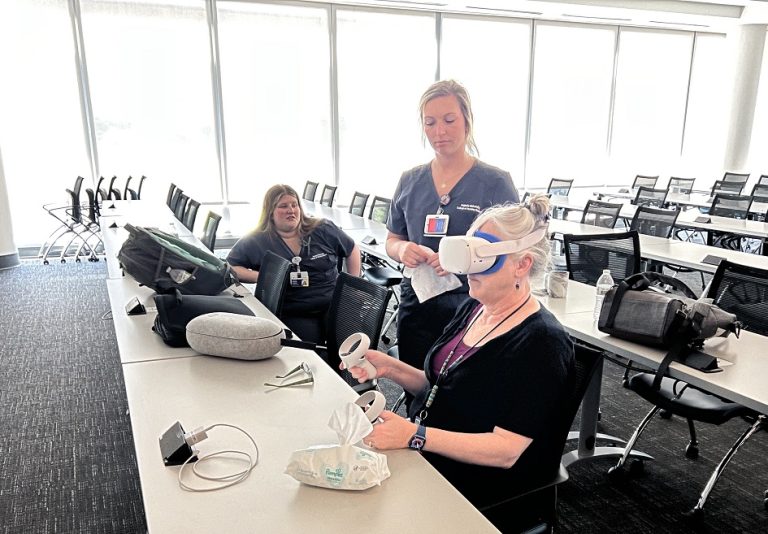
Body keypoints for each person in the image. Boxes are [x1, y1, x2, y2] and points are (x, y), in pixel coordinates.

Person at [349, 198, 574, 526]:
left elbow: (505, 449)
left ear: (521, 265)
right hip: (428, 458)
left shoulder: (543, 343)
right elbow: (445, 387)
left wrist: (415, 435)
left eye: (484, 257)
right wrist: (391, 368)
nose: (469, 269)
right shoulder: (474, 308)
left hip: (482, 491)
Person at [386, 79, 520, 372]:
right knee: (414, 380)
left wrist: (462, 259)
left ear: (467, 121)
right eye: (430, 123)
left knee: (465, 391)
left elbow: (515, 250)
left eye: (449, 120)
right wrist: (403, 249)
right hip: (417, 301)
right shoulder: (410, 180)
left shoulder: (494, 182)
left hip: (473, 304)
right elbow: (392, 238)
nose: (440, 131)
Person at [227, 184, 361, 344]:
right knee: (306, 353)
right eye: (283, 206)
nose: (291, 210)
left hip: (333, 303)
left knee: (350, 351)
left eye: (294, 204)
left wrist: (352, 284)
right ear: (270, 212)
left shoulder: (322, 229)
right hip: (294, 309)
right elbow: (230, 267)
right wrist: (264, 277)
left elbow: (352, 249)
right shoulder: (257, 240)